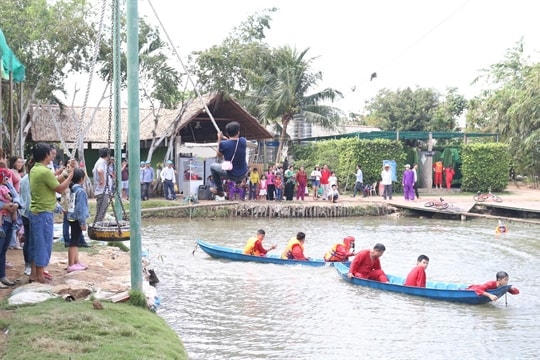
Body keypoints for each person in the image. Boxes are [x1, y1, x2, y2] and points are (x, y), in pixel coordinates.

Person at [29, 143, 74, 284]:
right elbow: (59, 188)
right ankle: (40, 277)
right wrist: (71, 176)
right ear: (46, 155)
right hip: (43, 214)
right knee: (43, 245)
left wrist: (66, 172)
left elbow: (54, 182)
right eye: (51, 154)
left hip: (36, 212)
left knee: (37, 244)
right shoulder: (45, 171)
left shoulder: (35, 169)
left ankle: (35, 274)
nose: (52, 156)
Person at [209, 121, 248, 198]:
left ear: (227, 133)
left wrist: (219, 139)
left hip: (231, 175)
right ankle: (238, 182)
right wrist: (226, 139)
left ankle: (219, 189)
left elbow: (218, 155)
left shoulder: (224, 144)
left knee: (212, 166)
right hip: (243, 173)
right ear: (238, 132)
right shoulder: (243, 141)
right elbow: (233, 143)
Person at [66, 168, 89, 272]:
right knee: (74, 242)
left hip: (71, 217)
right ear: (81, 179)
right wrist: (82, 222)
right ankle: (71, 264)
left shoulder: (72, 189)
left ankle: (76, 262)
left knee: (75, 240)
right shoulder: (81, 191)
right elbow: (80, 209)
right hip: (76, 218)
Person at [92, 147, 111, 221]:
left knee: (101, 211)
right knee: (101, 212)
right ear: (108, 155)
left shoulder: (100, 161)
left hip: (102, 191)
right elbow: (100, 171)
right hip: (102, 191)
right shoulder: (102, 162)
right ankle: (98, 226)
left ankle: (98, 224)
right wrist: (102, 180)